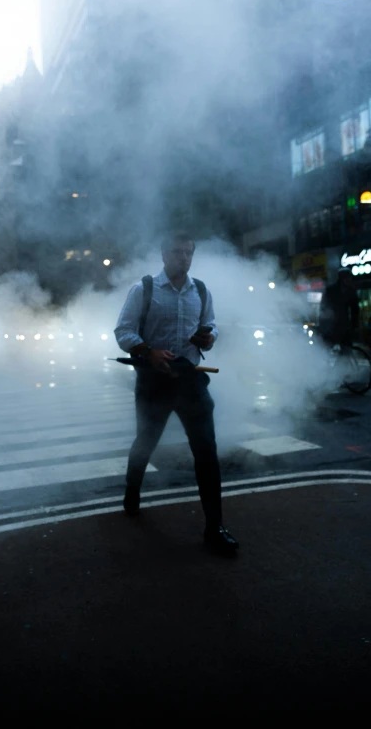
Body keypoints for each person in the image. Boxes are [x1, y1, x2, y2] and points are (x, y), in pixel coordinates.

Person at [114, 232, 238, 556]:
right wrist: (148, 350)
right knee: (145, 441)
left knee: (207, 453)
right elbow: (123, 331)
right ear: (163, 254)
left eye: (188, 252)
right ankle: (133, 488)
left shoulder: (200, 289)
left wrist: (208, 337)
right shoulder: (145, 288)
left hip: (191, 380)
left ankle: (215, 527)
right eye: (177, 251)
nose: (183, 257)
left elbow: (211, 324)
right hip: (154, 381)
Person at [318, 267, 359, 348]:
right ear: (341, 278)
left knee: (346, 349)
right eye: (346, 277)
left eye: (349, 278)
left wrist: (354, 326)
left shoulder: (351, 291)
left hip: (344, 326)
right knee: (329, 349)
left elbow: (355, 310)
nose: (348, 280)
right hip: (331, 326)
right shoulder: (330, 290)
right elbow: (323, 307)